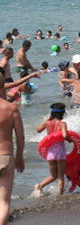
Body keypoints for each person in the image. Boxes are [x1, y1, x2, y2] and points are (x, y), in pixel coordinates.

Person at [0, 73, 24, 222]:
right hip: (5, 157)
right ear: (3, 86)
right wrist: (20, 158)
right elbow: (20, 137)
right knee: (3, 202)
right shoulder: (11, 108)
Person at [34, 103, 72, 197]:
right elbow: (64, 135)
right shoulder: (63, 124)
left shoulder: (47, 123)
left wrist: (48, 118)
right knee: (60, 177)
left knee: (53, 176)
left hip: (50, 152)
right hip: (60, 152)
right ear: (63, 113)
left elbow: (38, 130)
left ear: (52, 113)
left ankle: (39, 186)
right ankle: (60, 195)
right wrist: (70, 140)